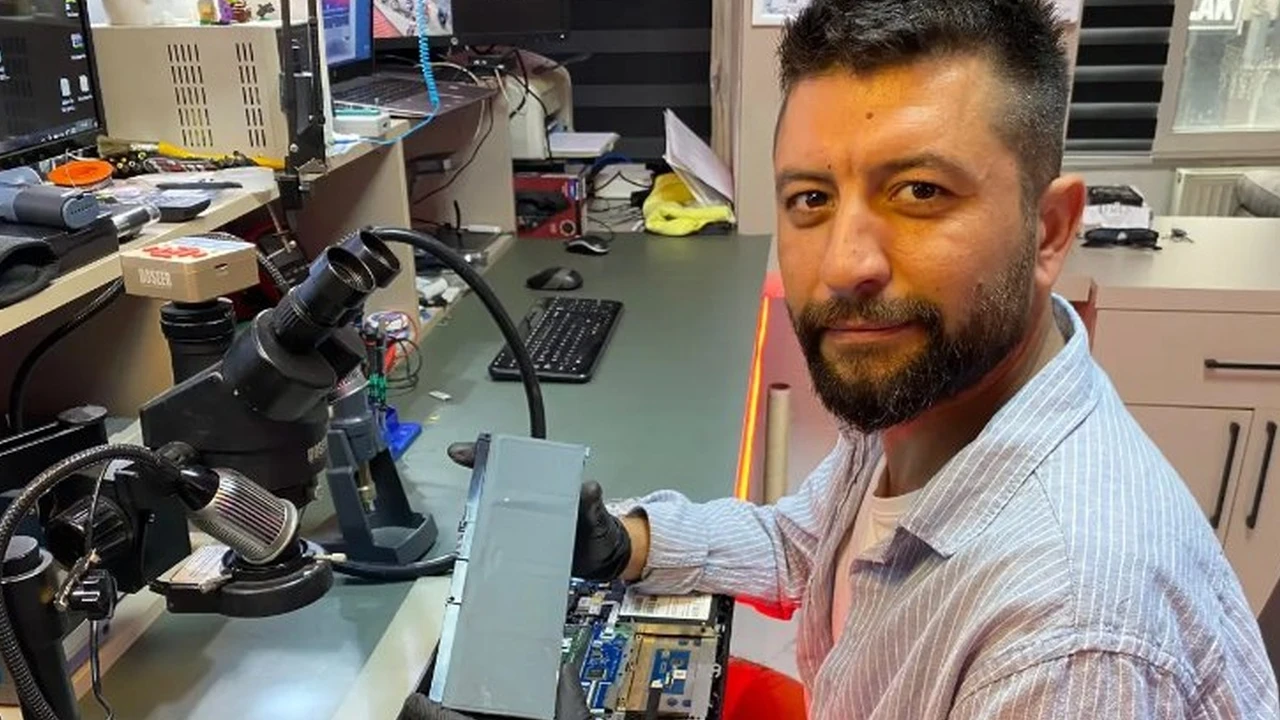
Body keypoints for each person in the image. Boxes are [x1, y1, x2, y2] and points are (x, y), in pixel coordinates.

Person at [408, 0, 1280, 718]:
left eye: (920, 192)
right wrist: (626, 544)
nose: (846, 264)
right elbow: (807, 544)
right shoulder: (929, 398)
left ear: (1048, 230)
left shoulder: (1068, 644)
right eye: (812, 198)